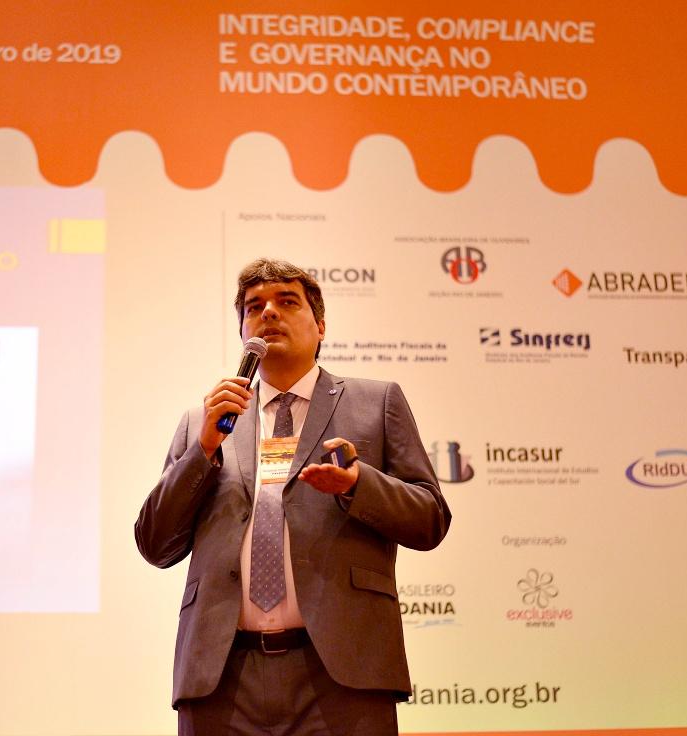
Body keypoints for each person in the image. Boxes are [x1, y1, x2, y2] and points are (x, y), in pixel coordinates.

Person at [135, 258, 451, 735]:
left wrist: (359, 484)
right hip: (221, 678)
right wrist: (203, 450)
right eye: (254, 307)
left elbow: (430, 520)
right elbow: (156, 545)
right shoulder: (205, 424)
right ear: (243, 332)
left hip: (341, 675)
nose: (268, 313)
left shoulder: (376, 403)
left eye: (287, 302)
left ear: (320, 325)